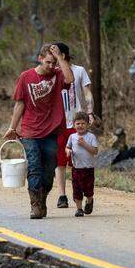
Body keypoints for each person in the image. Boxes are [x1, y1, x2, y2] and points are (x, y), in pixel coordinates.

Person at [5, 43, 75, 218]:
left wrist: (60, 58)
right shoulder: (26, 77)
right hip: (30, 131)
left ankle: (42, 199)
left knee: (49, 170)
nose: (51, 66)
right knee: (35, 167)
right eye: (48, 62)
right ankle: (35, 205)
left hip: (52, 131)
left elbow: (70, 79)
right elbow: (19, 104)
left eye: (54, 63)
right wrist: (12, 127)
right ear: (40, 59)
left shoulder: (58, 75)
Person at [51, 43, 94, 209]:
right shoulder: (52, 73)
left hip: (77, 122)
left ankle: (84, 193)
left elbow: (87, 92)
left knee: (80, 159)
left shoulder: (79, 70)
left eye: (55, 54)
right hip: (59, 123)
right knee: (60, 161)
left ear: (63, 54)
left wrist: (89, 113)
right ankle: (62, 195)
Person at [65, 112, 99, 216]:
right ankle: (79, 209)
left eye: (83, 123)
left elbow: (95, 151)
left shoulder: (91, 137)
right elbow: (67, 147)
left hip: (88, 168)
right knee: (77, 189)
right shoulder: (72, 137)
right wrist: (68, 151)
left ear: (88, 124)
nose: (80, 126)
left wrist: (84, 144)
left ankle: (89, 201)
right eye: (78, 123)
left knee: (88, 189)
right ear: (73, 124)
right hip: (76, 168)